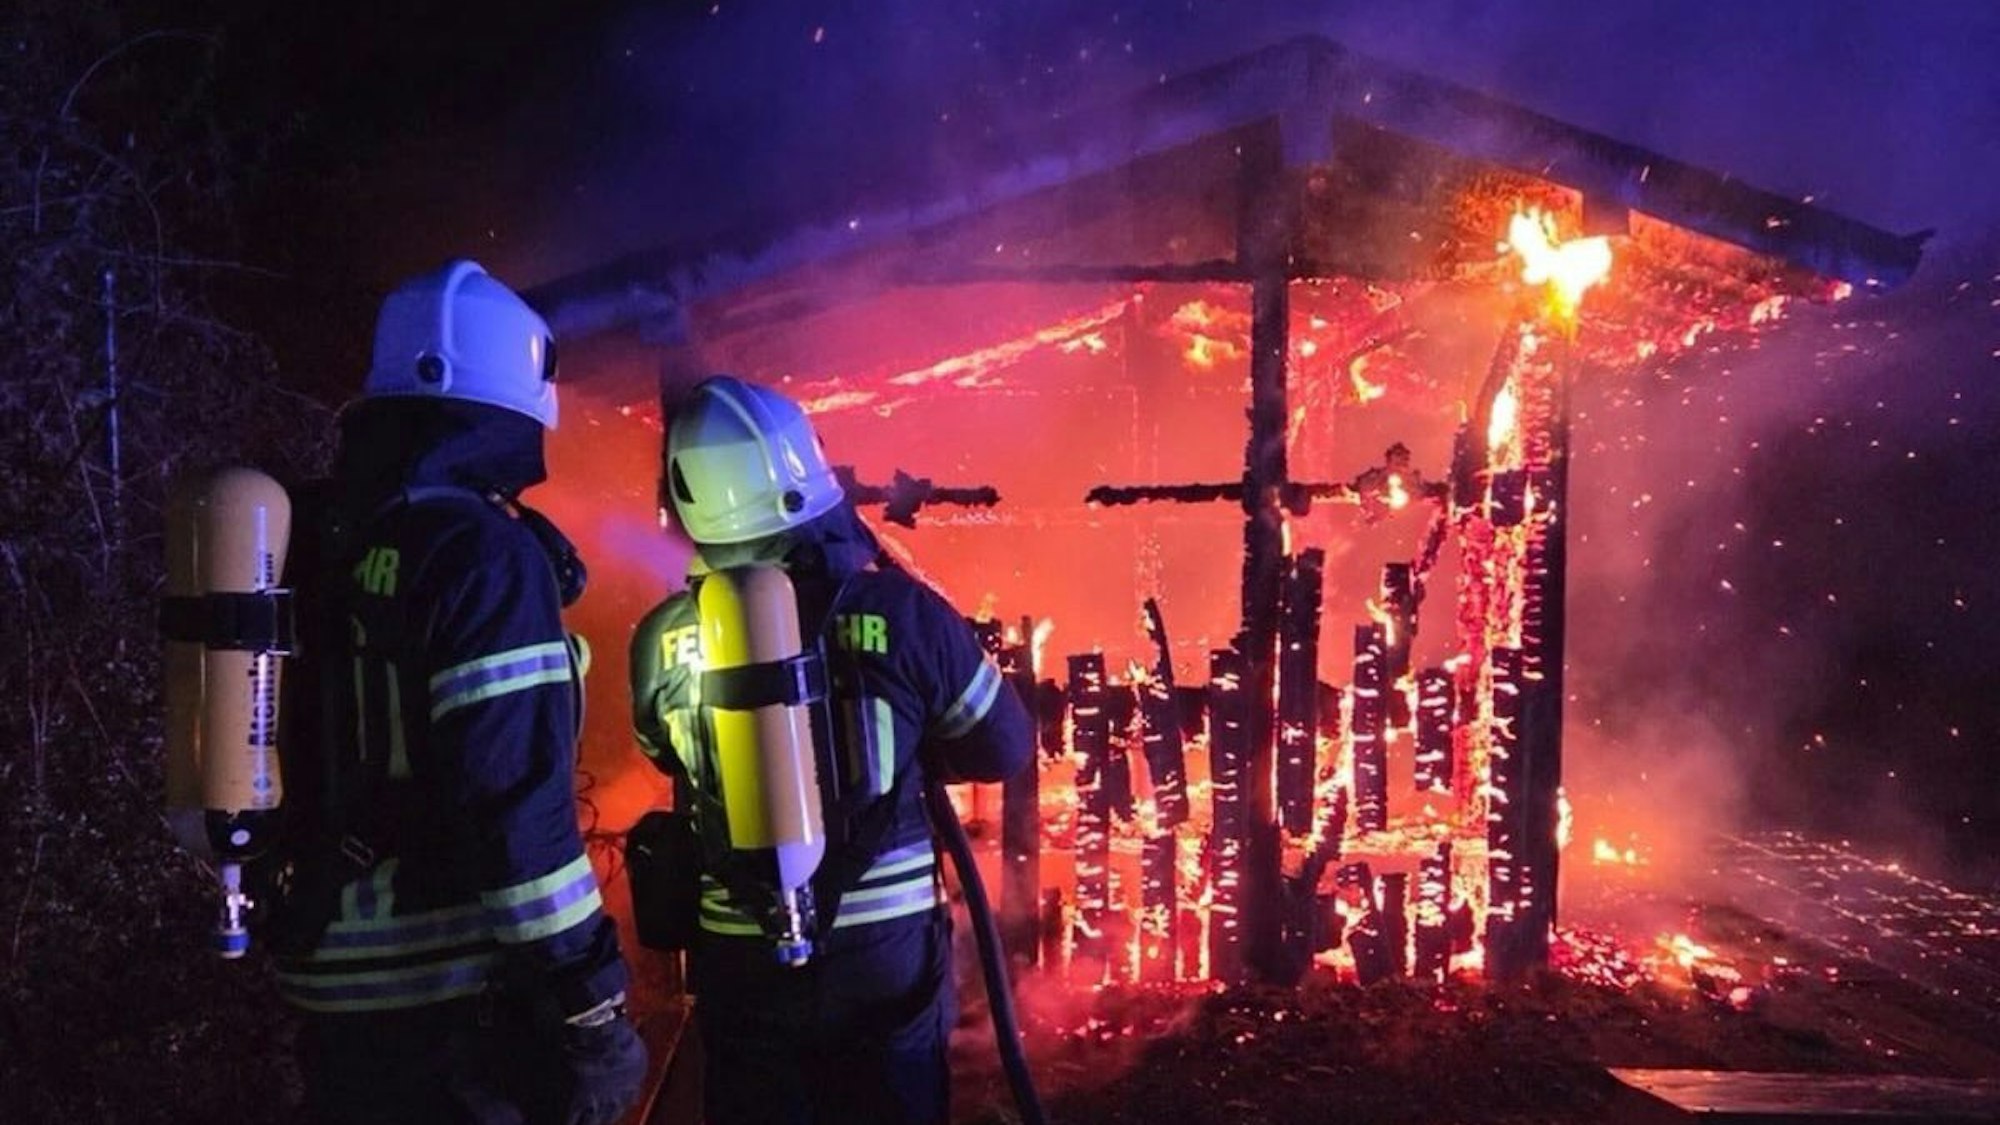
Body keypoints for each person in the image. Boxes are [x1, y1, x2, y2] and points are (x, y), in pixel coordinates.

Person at [271, 259, 647, 1124]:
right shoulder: (480, 553)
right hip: (447, 1001)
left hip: (327, 973)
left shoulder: (321, 532)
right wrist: (590, 998)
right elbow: (518, 810)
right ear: (517, 397)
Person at [628, 375, 1032, 1125]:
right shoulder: (902, 611)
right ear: (806, 472)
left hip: (742, 956)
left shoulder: (660, 639)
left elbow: (663, 753)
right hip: (884, 956)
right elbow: (1003, 744)